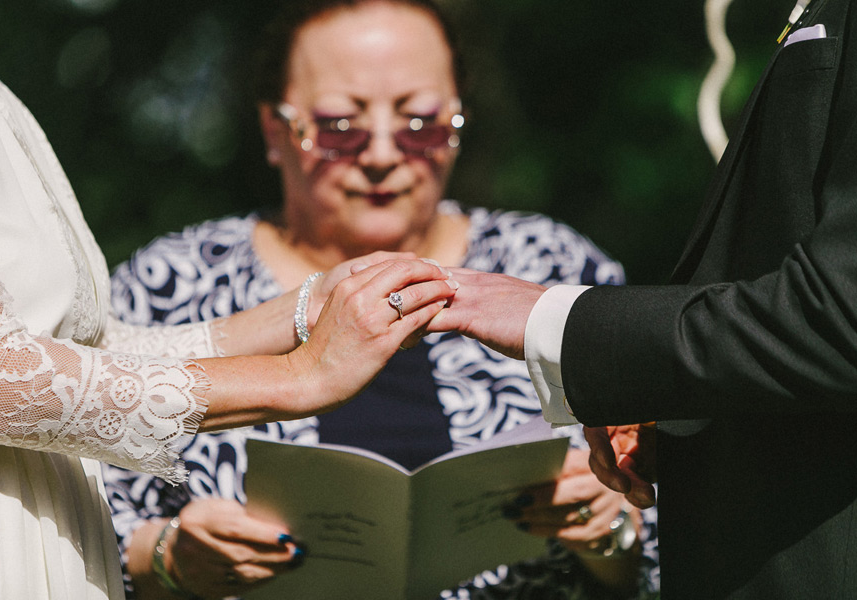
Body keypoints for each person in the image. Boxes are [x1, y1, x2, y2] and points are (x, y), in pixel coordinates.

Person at [101, 0, 659, 599]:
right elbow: (82, 526)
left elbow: (670, 538)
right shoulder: (172, 285)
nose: (384, 154)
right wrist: (168, 558)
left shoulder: (552, 268)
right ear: (274, 130)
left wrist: (608, 530)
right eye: (342, 126)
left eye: (421, 123)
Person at [0, 0, 460, 597]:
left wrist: (299, 309)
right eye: (341, 124)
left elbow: (72, 347)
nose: (381, 154)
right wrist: (301, 378)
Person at [428, 0, 857, 597]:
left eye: (423, 119)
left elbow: (841, 318)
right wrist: (685, 405)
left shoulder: (544, 251)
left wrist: (555, 322)